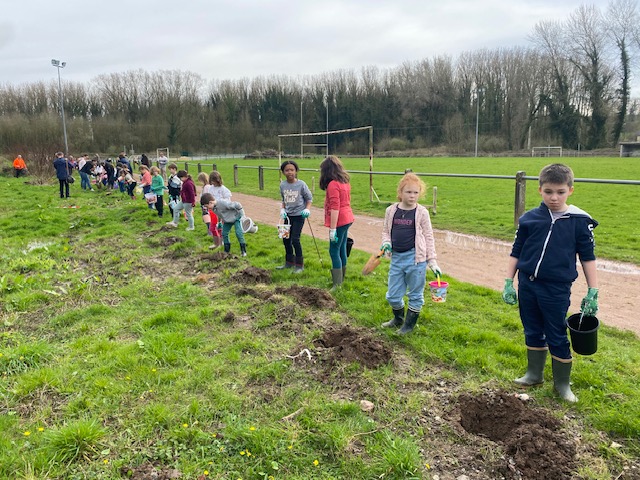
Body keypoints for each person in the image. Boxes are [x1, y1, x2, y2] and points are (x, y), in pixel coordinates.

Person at [502, 163, 599, 403]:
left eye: (560, 192)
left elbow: (588, 257)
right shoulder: (529, 219)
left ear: (570, 191)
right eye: (548, 192)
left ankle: (562, 385)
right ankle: (534, 374)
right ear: (540, 190)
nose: (554, 197)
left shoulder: (580, 221)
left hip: (556, 289)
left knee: (556, 333)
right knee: (532, 328)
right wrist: (508, 281)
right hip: (527, 284)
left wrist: (593, 289)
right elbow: (516, 251)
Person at [380, 173, 442, 335]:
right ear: (400, 192)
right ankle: (398, 319)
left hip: (416, 260)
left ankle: (408, 326)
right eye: (408, 192)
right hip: (396, 259)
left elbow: (429, 236)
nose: (412, 196)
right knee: (393, 296)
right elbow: (386, 232)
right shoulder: (390, 211)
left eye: (416, 192)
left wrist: (432, 261)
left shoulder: (422, 213)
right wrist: (386, 243)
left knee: (415, 294)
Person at [319, 155, 355, 289]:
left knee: (334, 251)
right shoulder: (344, 182)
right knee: (342, 248)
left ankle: (337, 284)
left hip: (340, 221)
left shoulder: (333, 185)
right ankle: (341, 279)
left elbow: (335, 207)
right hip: (348, 218)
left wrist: (333, 229)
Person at [277, 160, 312, 273]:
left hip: (299, 216)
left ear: (296, 171)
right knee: (285, 238)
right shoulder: (282, 185)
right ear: (283, 172)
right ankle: (289, 262)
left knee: (295, 240)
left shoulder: (301, 184)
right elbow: (284, 199)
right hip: (287, 216)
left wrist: (307, 209)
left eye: (292, 170)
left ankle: (299, 265)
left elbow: (309, 199)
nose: (289, 172)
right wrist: (282, 209)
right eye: (287, 170)